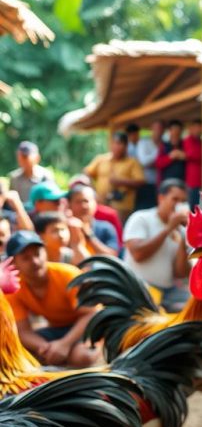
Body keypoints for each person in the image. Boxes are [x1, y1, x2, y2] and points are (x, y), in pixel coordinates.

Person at [6, 231, 99, 368]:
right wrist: (45, 347)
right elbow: (22, 330)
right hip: (55, 330)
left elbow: (91, 314)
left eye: (38, 254)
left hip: (88, 327)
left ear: (45, 252)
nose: (35, 262)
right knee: (16, 354)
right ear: (14, 262)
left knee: (81, 357)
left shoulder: (68, 274)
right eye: (26, 258)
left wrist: (63, 345)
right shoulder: (15, 286)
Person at [123, 179, 191, 312]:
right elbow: (138, 254)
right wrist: (168, 229)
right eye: (175, 199)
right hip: (138, 289)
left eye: (183, 201)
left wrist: (185, 237)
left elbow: (181, 273)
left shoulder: (181, 230)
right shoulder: (141, 218)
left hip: (167, 291)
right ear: (161, 198)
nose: (179, 205)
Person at [84, 132, 145, 223]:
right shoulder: (101, 159)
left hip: (121, 207)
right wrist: (93, 192)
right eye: (114, 143)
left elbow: (141, 181)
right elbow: (87, 172)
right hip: (100, 203)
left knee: (117, 230)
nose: (116, 146)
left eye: (119, 143)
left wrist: (121, 182)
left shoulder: (132, 162)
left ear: (126, 146)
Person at [66, 185, 119, 257]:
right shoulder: (63, 228)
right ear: (69, 204)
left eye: (86, 201)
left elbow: (112, 257)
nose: (83, 206)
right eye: (78, 202)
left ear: (95, 203)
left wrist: (89, 234)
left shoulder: (106, 228)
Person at [129, 121, 162, 210]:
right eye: (156, 129)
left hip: (159, 183)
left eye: (160, 129)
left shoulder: (164, 142)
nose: (158, 131)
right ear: (151, 129)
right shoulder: (144, 143)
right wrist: (159, 154)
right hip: (145, 184)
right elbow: (143, 162)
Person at [183, 120, 202, 209]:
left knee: (200, 207)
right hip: (191, 181)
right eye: (196, 127)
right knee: (191, 207)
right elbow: (196, 154)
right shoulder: (186, 141)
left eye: (200, 127)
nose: (198, 130)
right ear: (190, 129)